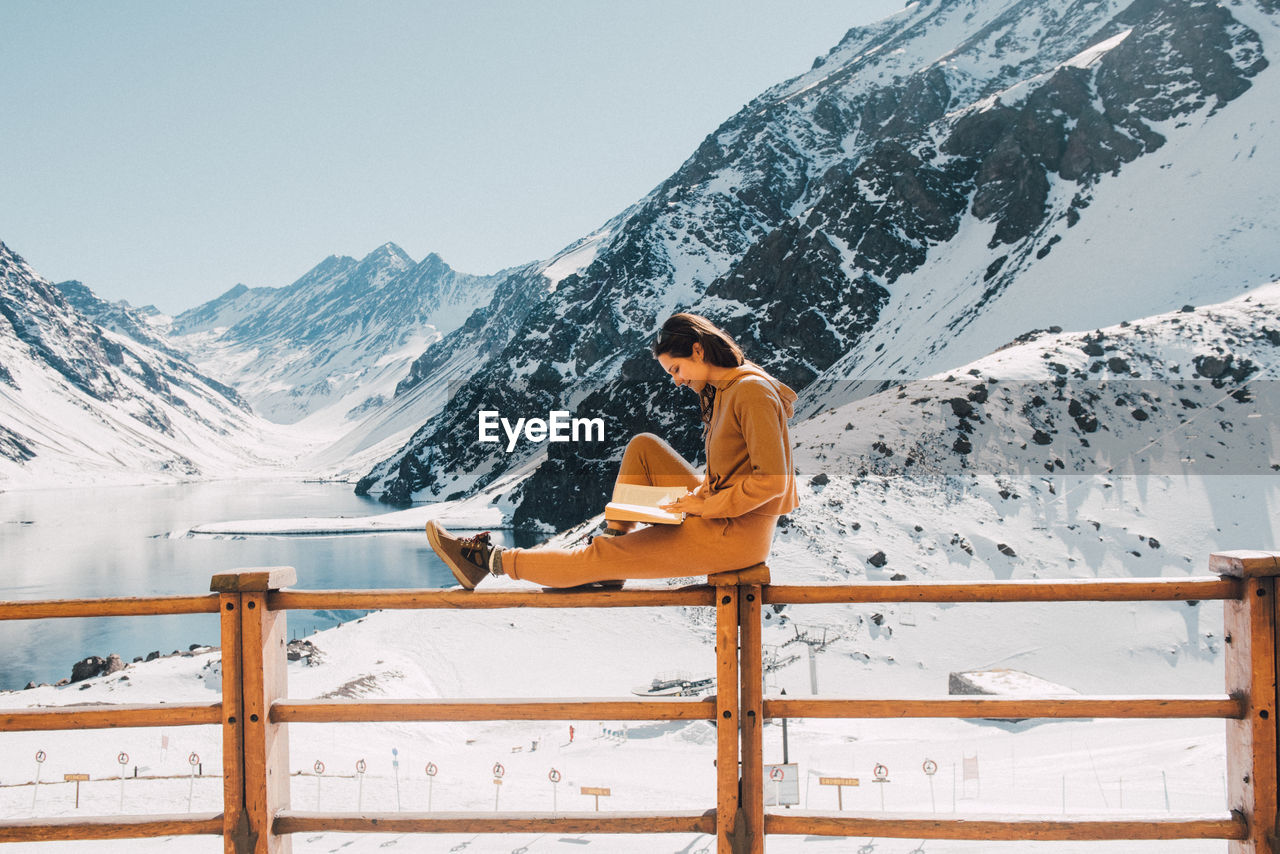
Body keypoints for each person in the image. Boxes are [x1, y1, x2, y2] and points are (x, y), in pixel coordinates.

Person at [425, 312, 799, 589]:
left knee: (595, 557)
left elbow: (772, 483)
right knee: (644, 447)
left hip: (735, 536)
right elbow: (729, 474)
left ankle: (486, 562)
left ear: (698, 350)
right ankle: (615, 542)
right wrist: (701, 495)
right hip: (723, 515)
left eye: (677, 368)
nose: (676, 380)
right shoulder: (725, 391)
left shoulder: (750, 392)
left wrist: (705, 506)